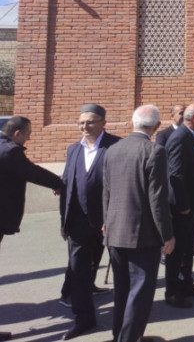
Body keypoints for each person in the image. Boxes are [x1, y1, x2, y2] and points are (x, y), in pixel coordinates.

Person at [0, 116, 63, 342]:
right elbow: (33, 172)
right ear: (17, 133)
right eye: (28, 134)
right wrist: (61, 183)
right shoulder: (8, 151)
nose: (29, 138)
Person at [103, 105, 175, 342]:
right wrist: (167, 234)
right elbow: (157, 199)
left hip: (116, 231)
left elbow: (106, 192)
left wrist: (106, 225)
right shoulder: (154, 151)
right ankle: (130, 338)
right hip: (143, 234)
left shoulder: (112, 150)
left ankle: (120, 335)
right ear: (157, 126)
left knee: (122, 289)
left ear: (131, 123)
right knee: (140, 293)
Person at [59, 103, 120, 339]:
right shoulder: (73, 149)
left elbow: (123, 184)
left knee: (121, 270)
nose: (85, 126)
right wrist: (64, 221)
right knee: (79, 271)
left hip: (109, 221)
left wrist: (113, 218)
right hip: (78, 222)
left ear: (104, 123)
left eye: (90, 122)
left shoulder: (116, 146)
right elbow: (68, 185)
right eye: (81, 122)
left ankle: (125, 322)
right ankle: (83, 318)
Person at [164, 103, 194, 307]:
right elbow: (175, 175)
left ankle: (186, 283)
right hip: (183, 207)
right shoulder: (180, 138)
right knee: (177, 251)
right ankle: (172, 291)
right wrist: (183, 205)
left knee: (188, 247)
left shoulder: (193, 136)